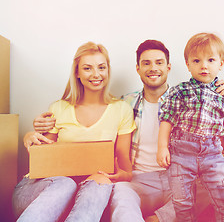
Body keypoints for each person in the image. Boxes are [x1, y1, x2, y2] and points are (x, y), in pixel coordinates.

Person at [32, 39, 224, 222]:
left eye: (159, 63)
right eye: (146, 63)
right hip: (138, 180)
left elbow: (223, 146)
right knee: (122, 202)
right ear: (138, 68)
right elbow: (80, 128)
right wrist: (34, 131)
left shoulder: (190, 100)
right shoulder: (124, 104)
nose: (153, 68)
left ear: (169, 67)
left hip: (181, 177)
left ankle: (160, 218)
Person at [12, 42, 136, 222]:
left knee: (100, 183)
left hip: (88, 191)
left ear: (108, 71)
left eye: (101, 67)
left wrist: (122, 175)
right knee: (65, 182)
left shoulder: (121, 110)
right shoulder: (59, 108)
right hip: (39, 192)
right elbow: (43, 158)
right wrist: (29, 137)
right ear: (77, 72)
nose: (96, 74)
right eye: (87, 68)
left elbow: (123, 160)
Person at [157, 32, 224, 221]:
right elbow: (167, 120)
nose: (204, 65)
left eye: (210, 60)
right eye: (196, 61)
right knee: (182, 202)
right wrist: (162, 147)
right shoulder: (179, 91)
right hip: (181, 153)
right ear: (187, 64)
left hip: (212, 154)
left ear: (221, 63)